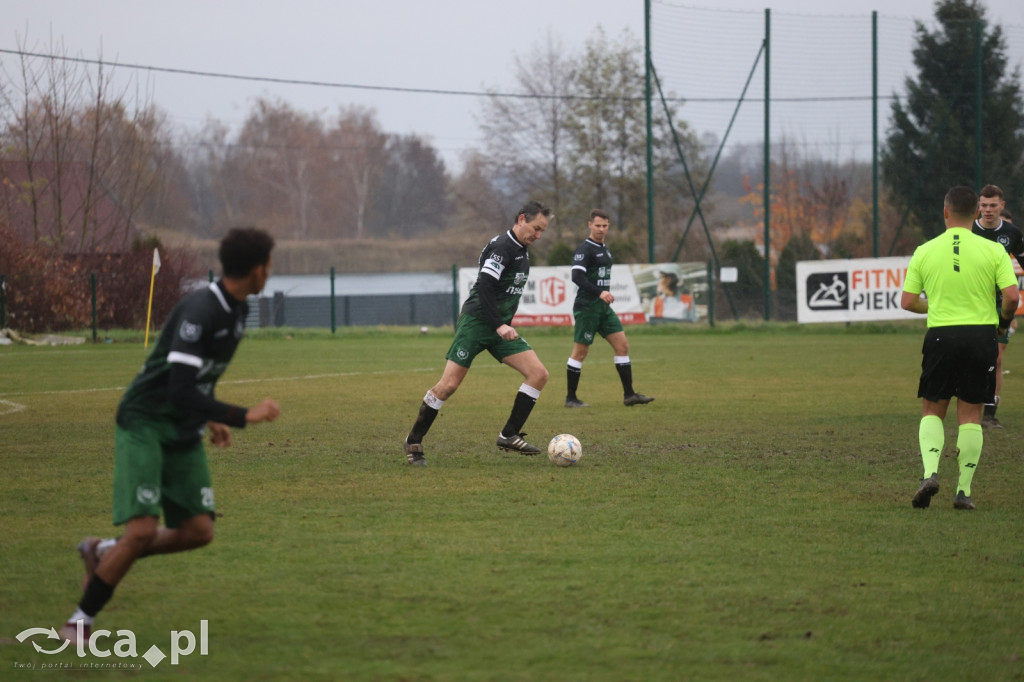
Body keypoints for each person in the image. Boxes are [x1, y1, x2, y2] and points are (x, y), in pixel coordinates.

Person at [59, 227, 282, 644]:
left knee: (199, 531)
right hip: (145, 422)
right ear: (257, 269)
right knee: (142, 530)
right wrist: (240, 415)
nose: (271, 271)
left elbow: (199, 379)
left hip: (182, 426)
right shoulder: (202, 309)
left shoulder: (235, 312)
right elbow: (179, 387)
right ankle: (78, 622)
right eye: (270, 264)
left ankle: (104, 551)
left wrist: (210, 416)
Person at [403, 201, 552, 466]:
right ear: (521, 219)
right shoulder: (502, 247)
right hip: (477, 323)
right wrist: (499, 324)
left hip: (499, 327)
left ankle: (509, 435)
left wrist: (502, 325)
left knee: (538, 374)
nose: (538, 235)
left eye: (542, 231)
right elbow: (484, 286)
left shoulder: (521, 249)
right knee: (448, 385)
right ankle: (413, 440)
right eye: (536, 228)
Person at [901, 186, 1019, 511]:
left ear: (945, 212)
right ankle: (963, 492)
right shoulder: (994, 251)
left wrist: (937, 305)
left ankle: (930, 473)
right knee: (970, 415)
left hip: (941, 335)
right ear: (976, 214)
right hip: (981, 336)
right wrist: (1002, 322)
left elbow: (908, 301)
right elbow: (1011, 297)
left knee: (932, 409)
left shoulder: (925, 250)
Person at [564, 209, 654, 408]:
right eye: (597, 226)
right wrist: (599, 292)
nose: (601, 229)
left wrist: (602, 297)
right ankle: (571, 398)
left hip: (603, 309)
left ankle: (629, 395)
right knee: (580, 352)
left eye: (605, 226)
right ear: (589, 225)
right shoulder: (584, 249)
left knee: (622, 346)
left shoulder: (604, 248)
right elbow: (577, 277)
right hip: (587, 307)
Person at [971, 184, 1024, 428]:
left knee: (997, 359)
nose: (988, 210)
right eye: (983, 205)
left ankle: (989, 414)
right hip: (971, 301)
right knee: (973, 357)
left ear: (1002, 206)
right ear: (978, 207)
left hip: (1000, 303)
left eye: (993, 205)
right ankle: (970, 405)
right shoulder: (968, 230)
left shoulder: (1012, 233)